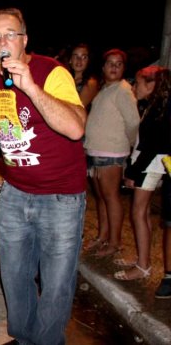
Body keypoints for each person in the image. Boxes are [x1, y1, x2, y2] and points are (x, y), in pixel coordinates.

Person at [0, 8, 87, 345]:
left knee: (56, 283)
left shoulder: (51, 72)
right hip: (14, 193)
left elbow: (76, 128)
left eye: (10, 34)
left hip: (61, 198)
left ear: (24, 40)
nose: (2, 41)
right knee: (14, 277)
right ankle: (24, 338)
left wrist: (30, 86)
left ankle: (47, 341)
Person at [83, 49, 139, 258]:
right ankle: (103, 236)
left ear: (124, 68)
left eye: (119, 64)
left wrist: (129, 144)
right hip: (96, 151)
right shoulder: (105, 89)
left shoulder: (123, 90)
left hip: (111, 152)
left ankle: (114, 243)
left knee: (111, 197)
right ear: (103, 67)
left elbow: (133, 122)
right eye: (110, 63)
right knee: (101, 198)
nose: (114, 67)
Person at [117, 66, 171, 280]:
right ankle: (143, 259)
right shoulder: (154, 106)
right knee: (143, 213)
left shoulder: (159, 109)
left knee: (138, 213)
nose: (133, 87)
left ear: (151, 85)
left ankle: (142, 266)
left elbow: (152, 146)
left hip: (150, 165)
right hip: (148, 164)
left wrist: (133, 171)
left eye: (138, 83)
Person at [68, 43, 99, 109]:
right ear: (70, 60)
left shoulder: (90, 83)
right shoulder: (66, 78)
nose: (79, 60)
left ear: (88, 61)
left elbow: (79, 107)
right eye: (76, 56)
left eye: (84, 57)